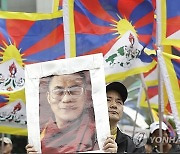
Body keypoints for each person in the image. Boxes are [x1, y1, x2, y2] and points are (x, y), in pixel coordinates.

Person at [26, 71, 117, 153]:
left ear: (85, 95)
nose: (66, 99)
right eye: (58, 92)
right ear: (48, 97)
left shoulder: (99, 138)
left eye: (75, 91)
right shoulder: (40, 140)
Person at [106, 82, 145, 153]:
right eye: (108, 100)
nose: (114, 105)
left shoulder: (135, 147)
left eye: (119, 102)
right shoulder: (82, 140)